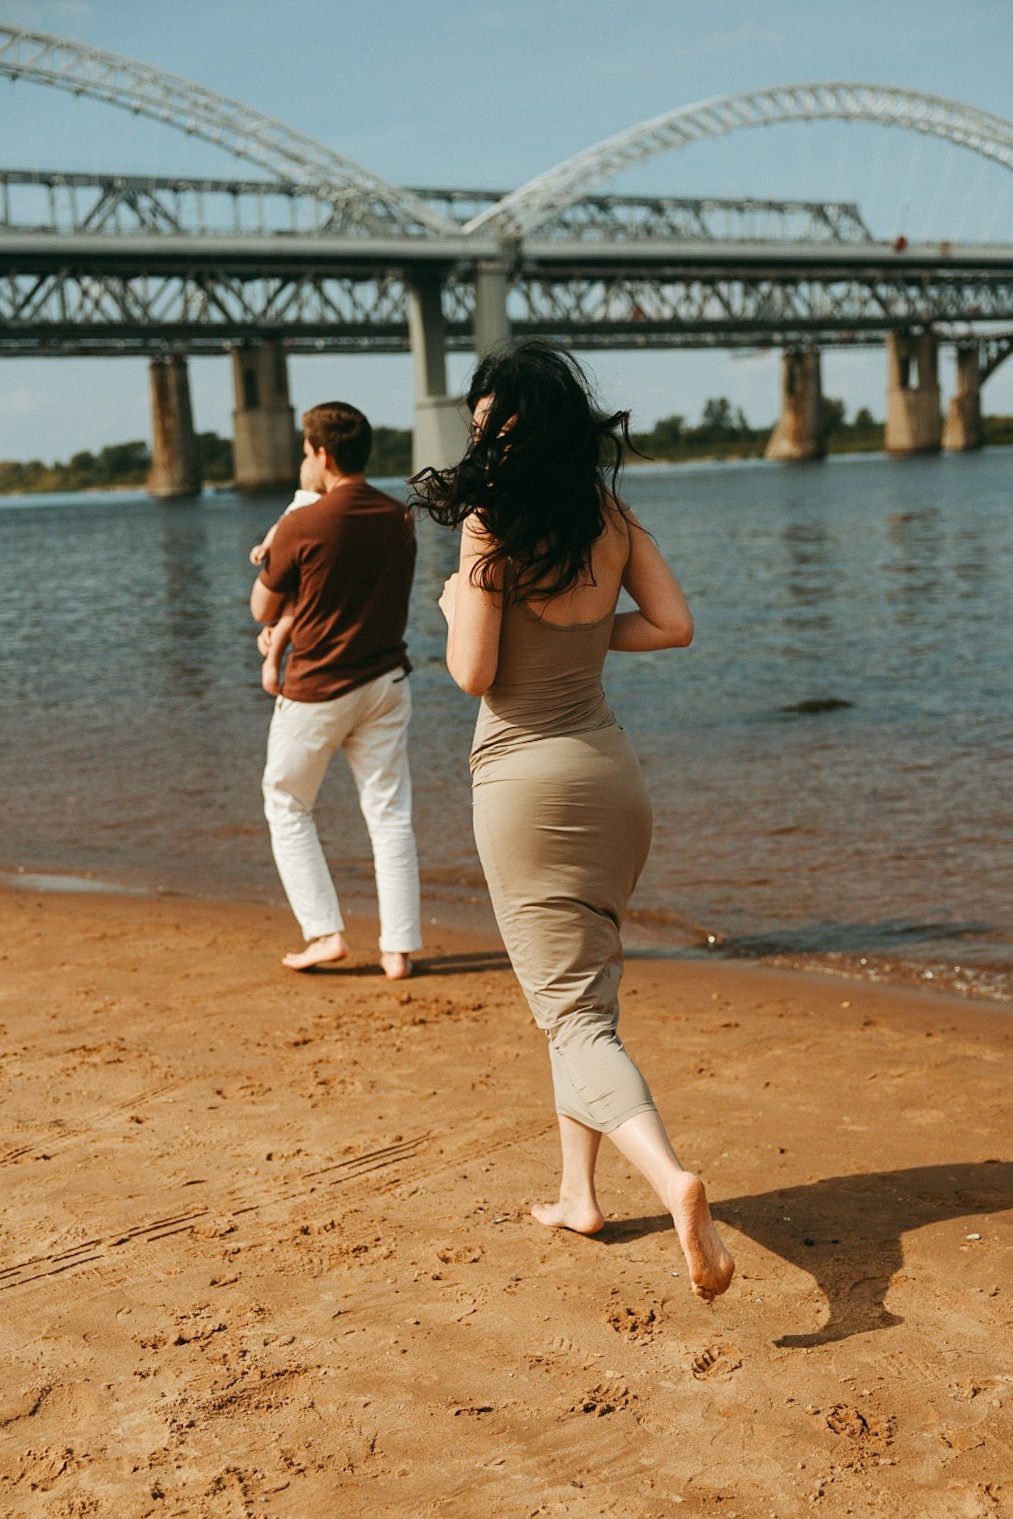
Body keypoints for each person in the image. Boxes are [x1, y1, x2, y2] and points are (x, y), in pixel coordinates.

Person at [415, 340, 734, 1301]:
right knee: (584, 1000)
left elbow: (472, 674)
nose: (478, 430)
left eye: (486, 418)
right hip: (610, 775)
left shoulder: (486, 525)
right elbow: (674, 625)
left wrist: (450, 603)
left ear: (510, 426)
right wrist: (585, 637)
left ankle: (670, 1176)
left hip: (524, 782)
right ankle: (576, 1195)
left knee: (568, 1012)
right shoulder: (608, 513)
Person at [251, 400, 421, 980]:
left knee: (286, 802)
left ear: (322, 455)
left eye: (305, 452)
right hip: (386, 682)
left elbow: (260, 606)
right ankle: (397, 950)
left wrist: (284, 537)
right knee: (389, 813)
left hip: (319, 688)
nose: (304, 460)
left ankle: (326, 934)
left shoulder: (304, 523)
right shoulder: (401, 516)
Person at [249, 457, 321, 696]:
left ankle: (271, 660)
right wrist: (265, 547)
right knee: (288, 619)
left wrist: (266, 546)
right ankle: (271, 663)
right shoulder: (309, 502)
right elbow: (280, 527)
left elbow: (280, 526)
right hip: (299, 575)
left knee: (286, 619)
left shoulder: (306, 502)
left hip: (301, 574)